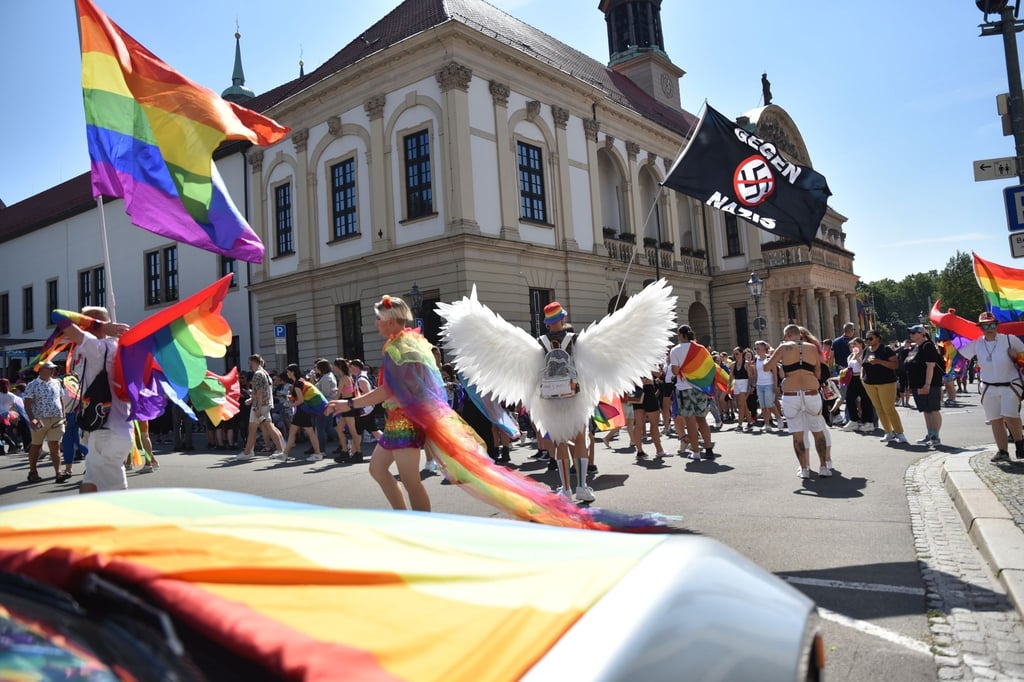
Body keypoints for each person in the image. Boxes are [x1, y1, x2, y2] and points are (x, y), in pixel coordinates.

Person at [326, 295, 431, 511]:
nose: (375, 323)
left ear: (390, 320)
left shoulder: (399, 348)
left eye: (377, 318)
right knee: (378, 469)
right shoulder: (402, 344)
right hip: (396, 421)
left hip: (405, 422)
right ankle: (402, 516)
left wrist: (349, 404)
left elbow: (387, 390)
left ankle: (425, 531)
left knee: (411, 481)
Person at [60, 306, 132, 493]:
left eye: (83, 322)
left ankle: (121, 522)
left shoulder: (98, 346)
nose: (79, 326)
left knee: (115, 495)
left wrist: (100, 327)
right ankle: (87, 521)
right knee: (89, 484)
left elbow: (58, 316)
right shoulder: (119, 345)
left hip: (107, 432)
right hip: (109, 428)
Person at [535, 304, 594, 502]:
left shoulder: (539, 342)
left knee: (559, 442)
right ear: (562, 319)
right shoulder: (574, 339)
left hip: (552, 398)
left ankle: (566, 490)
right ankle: (582, 487)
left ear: (547, 322)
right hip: (574, 394)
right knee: (579, 440)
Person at [763, 324, 830, 479]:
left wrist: (776, 358)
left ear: (787, 335)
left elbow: (767, 368)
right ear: (799, 334)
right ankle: (824, 467)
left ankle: (804, 469)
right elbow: (818, 372)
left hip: (791, 394)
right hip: (811, 391)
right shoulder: (812, 348)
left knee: (797, 434)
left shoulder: (783, 347)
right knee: (818, 431)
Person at [958, 312, 1024, 462]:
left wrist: (1016, 356)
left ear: (997, 325)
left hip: (1010, 384)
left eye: (993, 325)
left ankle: (1020, 444)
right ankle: (1002, 451)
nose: (990, 328)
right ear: (980, 327)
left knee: (1010, 415)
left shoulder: (1009, 339)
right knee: (995, 419)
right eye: (986, 325)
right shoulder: (976, 343)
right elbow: (960, 352)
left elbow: (1023, 356)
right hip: (988, 386)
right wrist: (948, 332)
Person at [668, 324, 716, 461]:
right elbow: (709, 367)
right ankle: (708, 449)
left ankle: (696, 452)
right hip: (699, 387)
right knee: (701, 419)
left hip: (684, 388)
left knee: (690, 420)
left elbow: (676, 371)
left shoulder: (675, 350)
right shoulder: (701, 349)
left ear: (681, 335)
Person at [233, 354, 286, 461]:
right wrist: (252, 399)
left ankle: (248, 452)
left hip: (260, 406)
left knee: (257, 428)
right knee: (267, 427)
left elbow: (260, 392)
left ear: (253, 362)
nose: (248, 364)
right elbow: (262, 391)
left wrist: (257, 407)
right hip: (266, 404)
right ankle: (280, 450)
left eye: (249, 362)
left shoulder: (257, 374)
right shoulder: (265, 373)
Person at [23, 361, 68, 483]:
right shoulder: (32, 385)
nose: (52, 371)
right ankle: (32, 471)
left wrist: (64, 416)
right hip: (39, 419)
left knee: (55, 445)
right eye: (49, 368)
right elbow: (27, 403)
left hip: (56, 418)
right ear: (41, 370)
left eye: (53, 369)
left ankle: (58, 473)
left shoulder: (57, 382)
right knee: (36, 445)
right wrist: (32, 418)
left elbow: (61, 400)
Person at [861, 329, 909, 445]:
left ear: (878, 338)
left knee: (889, 408)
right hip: (870, 383)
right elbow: (863, 364)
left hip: (886, 382)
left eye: (870, 338)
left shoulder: (886, 350)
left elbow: (895, 365)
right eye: (866, 338)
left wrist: (879, 361)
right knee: (879, 409)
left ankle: (900, 433)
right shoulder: (866, 350)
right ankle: (888, 432)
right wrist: (862, 377)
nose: (868, 341)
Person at [905, 324, 943, 446]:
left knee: (933, 409)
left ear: (922, 333)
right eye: (910, 333)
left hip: (929, 383)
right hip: (918, 383)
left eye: (914, 332)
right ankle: (930, 434)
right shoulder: (916, 347)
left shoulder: (927, 346)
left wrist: (927, 384)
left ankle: (935, 436)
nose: (911, 335)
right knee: (926, 410)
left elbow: (930, 366)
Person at [277, 364, 323, 462]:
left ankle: (318, 454)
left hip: (302, 410)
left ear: (292, 372)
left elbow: (301, 400)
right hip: (303, 410)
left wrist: (289, 405)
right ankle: (285, 454)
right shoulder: (300, 381)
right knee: (295, 432)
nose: (287, 373)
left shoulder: (297, 383)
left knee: (307, 433)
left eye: (288, 371)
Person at [841, 337, 876, 433]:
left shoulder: (866, 353)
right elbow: (850, 367)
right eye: (852, 345)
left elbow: (866, 365)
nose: (854, 346)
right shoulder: (851, 355)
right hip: (853, 378)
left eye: (855, 344)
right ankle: (854, 420)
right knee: (849, 398)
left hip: (862, 377)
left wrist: (858, 358)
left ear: (861, 344)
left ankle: (868, 422)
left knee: (865, 400)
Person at [753, 340, 780, 432]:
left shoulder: (769, 359)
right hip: (759, 385)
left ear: (764, 349)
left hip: (769, 384)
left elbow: (775, 373)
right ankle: (767, 424)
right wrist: (754, 384)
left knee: (769, 404)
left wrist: (775, 386)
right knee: (763, 406)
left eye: (758, 348)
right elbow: (756, 373)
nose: (756, 350)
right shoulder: (755, 359)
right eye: (755, 348)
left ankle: (778, 418)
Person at [313, 358, 338, 455]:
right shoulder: (328, 376)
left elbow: (325, 393)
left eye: (317, 367)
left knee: (320, 428)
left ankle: (321, 450)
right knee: (328, 428)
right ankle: (344, 441)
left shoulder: (325, 378)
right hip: (329, 404)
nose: (315, 369)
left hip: (324, 405)